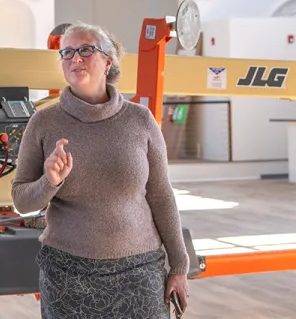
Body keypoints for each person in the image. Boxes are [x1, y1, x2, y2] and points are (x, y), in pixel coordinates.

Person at [11, 21, 190, 318]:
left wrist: (179, 266)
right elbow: (21, 201)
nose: (74, 59)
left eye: (85, 50)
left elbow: (161, 195)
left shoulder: (140, 120)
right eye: (66, 53)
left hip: (140, 272)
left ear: (108, 61)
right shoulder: (43, 123)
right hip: (68, 275)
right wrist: (49, 182)